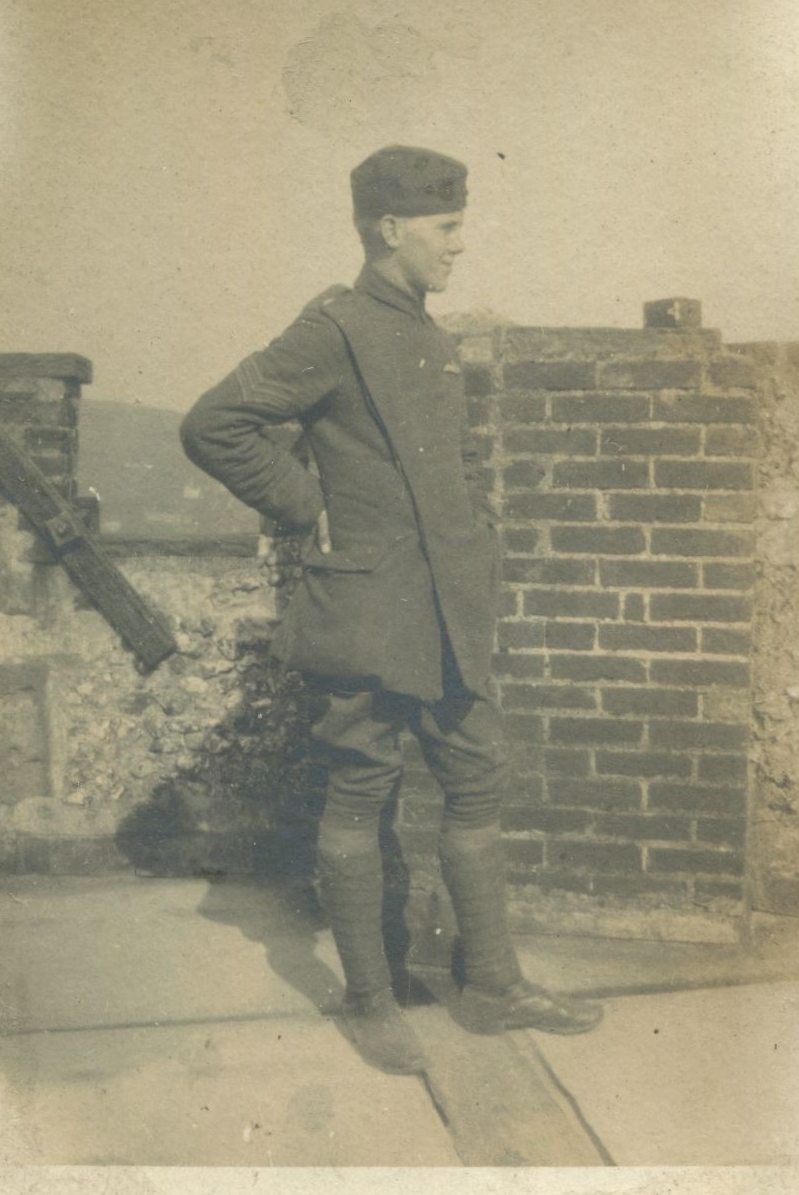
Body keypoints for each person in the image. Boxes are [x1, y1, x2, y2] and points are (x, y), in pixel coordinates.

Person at [180, 145, 603, 1075]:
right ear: (388, 229)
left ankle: (490, 984)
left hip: (447, 610)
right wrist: (305, 503)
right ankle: (370, 1002)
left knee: (476, 779)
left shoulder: (424, 329)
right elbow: (214, 424)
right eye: (445, 227)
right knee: (360, 790)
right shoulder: (332, 328)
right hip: (368, 612)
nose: (460, 244)